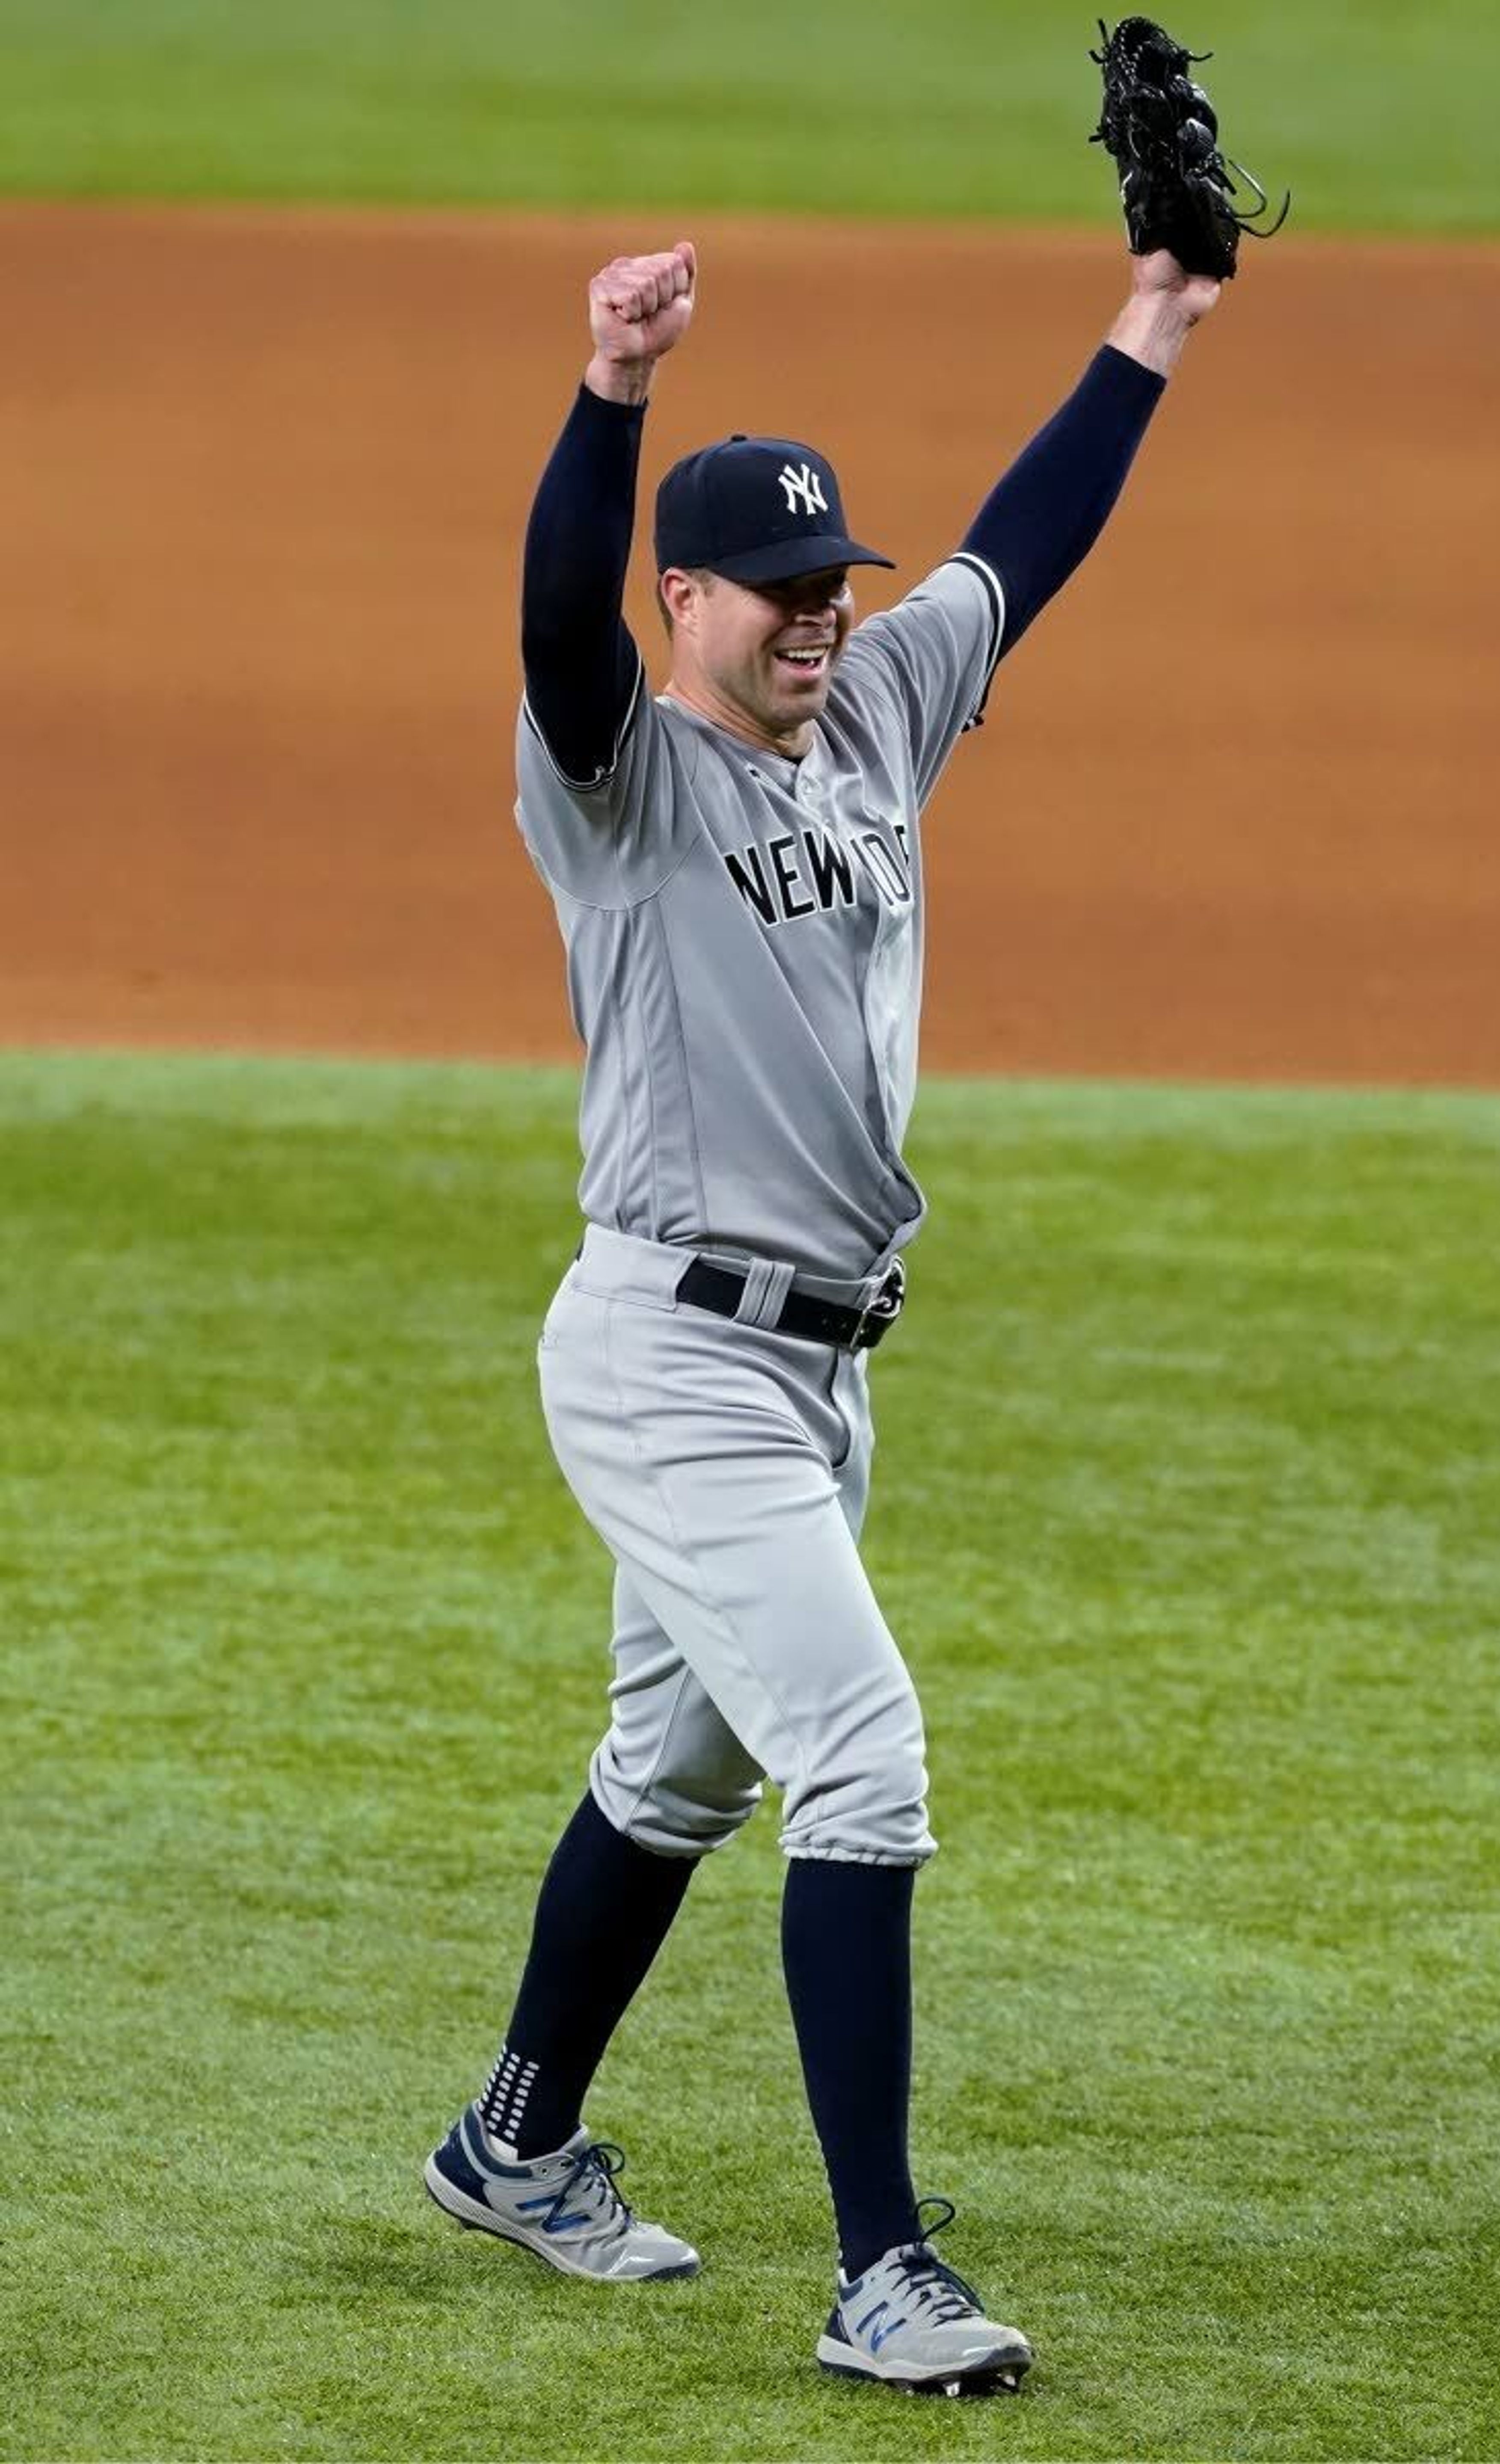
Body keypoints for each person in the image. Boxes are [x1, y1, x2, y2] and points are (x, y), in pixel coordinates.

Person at [424, 233, 1219, 2397]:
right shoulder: (613, 784)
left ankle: (515, 2142)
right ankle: (883, 2274)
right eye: (774, 590)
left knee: (670, 1776)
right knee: (859, 1765)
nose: (819, 614)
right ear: (683, 604)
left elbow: (1019, 551)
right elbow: (548, 618)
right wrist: (611, 391)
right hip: (671, 1353)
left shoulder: (870, 711)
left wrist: (1158, 314)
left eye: (829, 577)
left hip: (820, 1371)